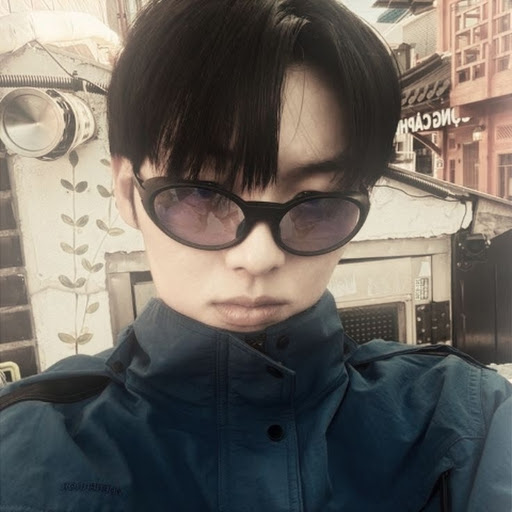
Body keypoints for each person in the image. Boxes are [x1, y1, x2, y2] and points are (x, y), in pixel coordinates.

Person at [0, 0, 511, 510]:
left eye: (317, 203)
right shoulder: (26, 449)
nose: (259, 256)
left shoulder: (463, 423)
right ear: (126, 188)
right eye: (200, 196)